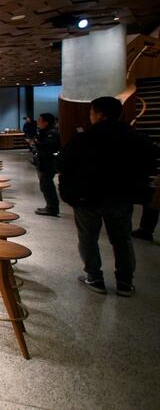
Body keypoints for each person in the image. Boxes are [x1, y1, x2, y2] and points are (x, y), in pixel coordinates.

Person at [58, 97, 154, 296]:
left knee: (88, 238)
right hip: (120, 197)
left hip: (86, 198)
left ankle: (94, 277)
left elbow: (65, 166)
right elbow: (148, 165)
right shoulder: (134, 137)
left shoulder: (83, 138)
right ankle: (125, 283)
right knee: (122, 239)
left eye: (91, 112)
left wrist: (69, 194)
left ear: (99, 114)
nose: (90, 116)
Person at [34, 113, 61, 216]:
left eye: (40, 120)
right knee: (44, 185)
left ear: (46, 122)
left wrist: (37, 143)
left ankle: (52, 208)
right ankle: (49, 206)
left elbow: (49, 146)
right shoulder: (44, 132)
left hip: (48, 163)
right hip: (43, 162)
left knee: (47, 185)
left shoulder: (52, 133)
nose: (38, 122)